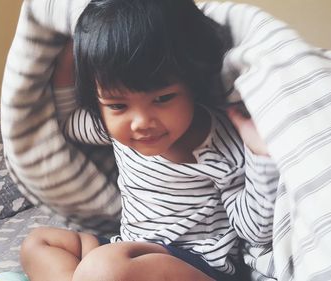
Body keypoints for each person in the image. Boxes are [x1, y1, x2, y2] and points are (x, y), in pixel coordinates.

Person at [19, 0, 279, 280]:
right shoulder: (115, 129)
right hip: (127, 250)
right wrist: (66, 62)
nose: (141, 122)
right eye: (118, 105)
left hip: (198, 266)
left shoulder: (222, 141)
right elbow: (71, 124)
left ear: (192, 84)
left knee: (104, 268)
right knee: (38, 243)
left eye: (163, 99)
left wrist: (260, 155)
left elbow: (254, 230)